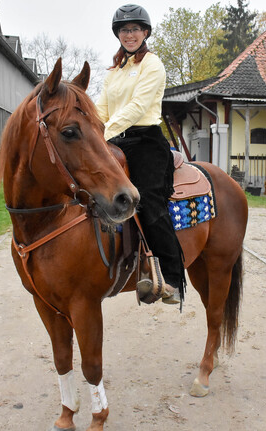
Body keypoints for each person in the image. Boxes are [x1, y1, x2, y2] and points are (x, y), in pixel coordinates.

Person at [96, 4, 184, 304]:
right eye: (124, 30)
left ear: (145, 32)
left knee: (146, 201)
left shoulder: (153, 65)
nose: (129, 34)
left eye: (134, 29)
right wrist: (90, 129)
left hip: (145, 141)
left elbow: (136, 107)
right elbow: (102, 109)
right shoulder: (114, 72)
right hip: (115, 141)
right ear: (118, 35)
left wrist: (103, 132)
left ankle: (171, 277)